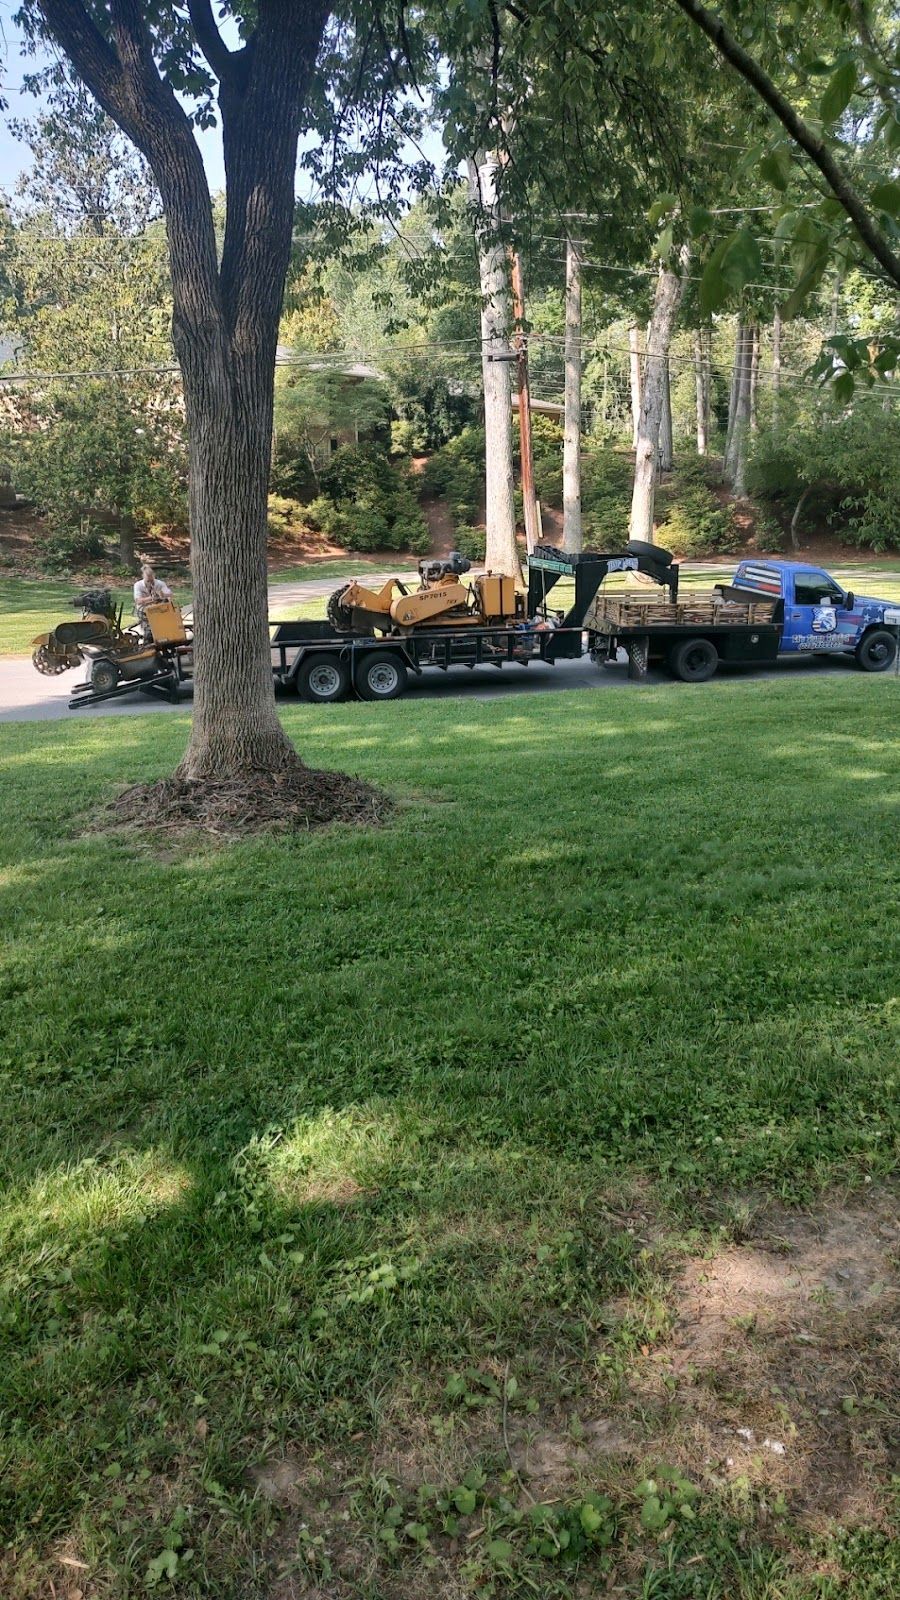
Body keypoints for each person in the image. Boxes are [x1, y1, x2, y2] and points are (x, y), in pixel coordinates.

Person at [133, 564, 173, 637]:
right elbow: (138, 601)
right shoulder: (138, 585)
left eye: (152, 581)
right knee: (149, 632)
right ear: (143, 577)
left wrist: (163, 594)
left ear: (154, 576)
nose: (150, 583)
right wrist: (151, 598)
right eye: (148, 581)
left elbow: (170, 594)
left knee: (165, 628)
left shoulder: (160, 583)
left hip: (158, 609)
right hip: (144, 610)